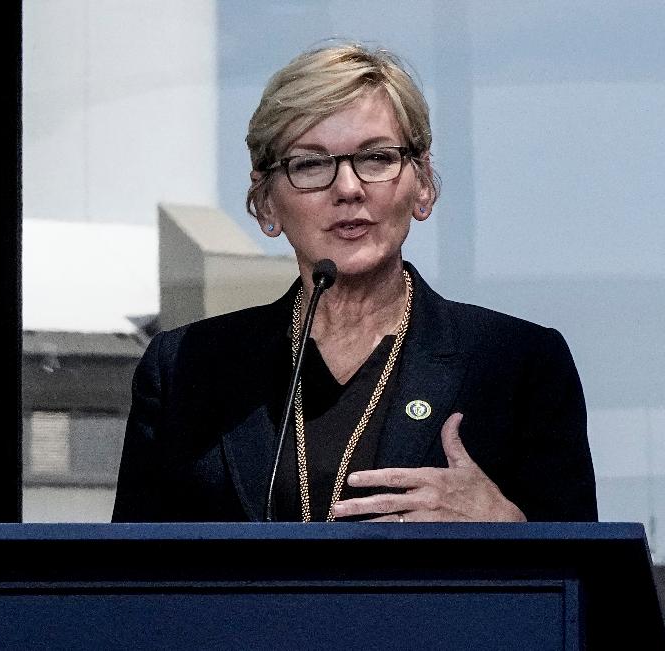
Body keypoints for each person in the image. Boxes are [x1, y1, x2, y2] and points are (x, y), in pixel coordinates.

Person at [112, 43, 597, 523]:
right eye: (310, 164)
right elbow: (124, 586)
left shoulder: (520, 364)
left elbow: (589, 585)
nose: (348, 188)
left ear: (423, 185)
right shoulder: (185, 371)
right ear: (265, 204)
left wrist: (504, 527)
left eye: (377, 158)